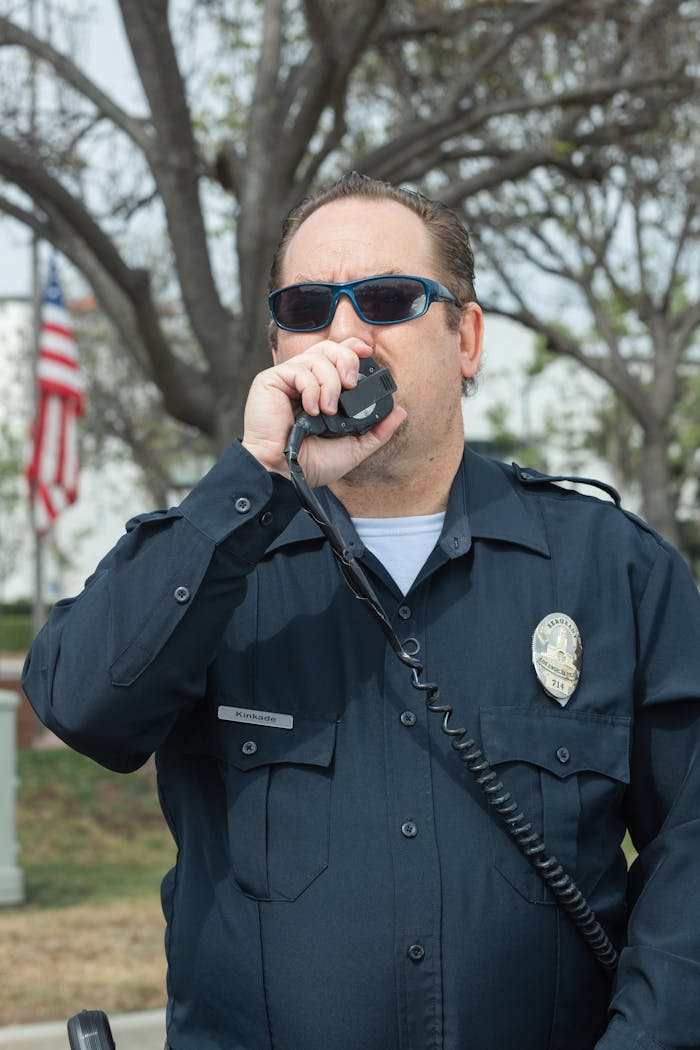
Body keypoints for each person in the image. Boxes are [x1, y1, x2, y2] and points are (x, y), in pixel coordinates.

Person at [23, 172, 700, 1050]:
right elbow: (81, 704)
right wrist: (260, 479)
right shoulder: (210, 557)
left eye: (385, 298)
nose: (343, 333)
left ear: (468, 338)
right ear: (278, 349)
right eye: (307, 307)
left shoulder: (615, 567)